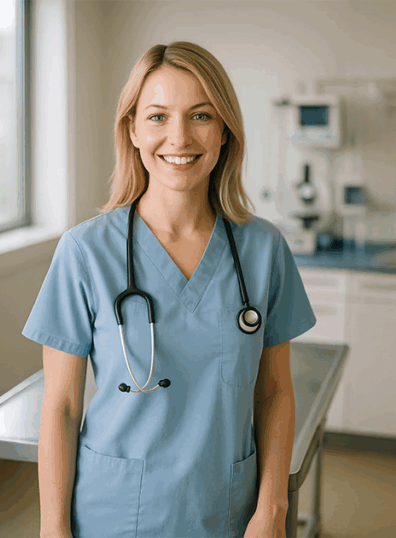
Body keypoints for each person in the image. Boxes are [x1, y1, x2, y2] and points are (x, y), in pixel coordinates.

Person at [22, 41, 316, 538]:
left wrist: (273, 510)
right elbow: (62, 407)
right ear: (132, 129)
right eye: (158, 117)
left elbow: (274, 392)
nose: (179, 137)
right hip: (112, 514)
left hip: (228, 511)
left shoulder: (263, 250)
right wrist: (54, 530)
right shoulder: (85, 252)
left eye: (200, 115)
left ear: (224, 131)